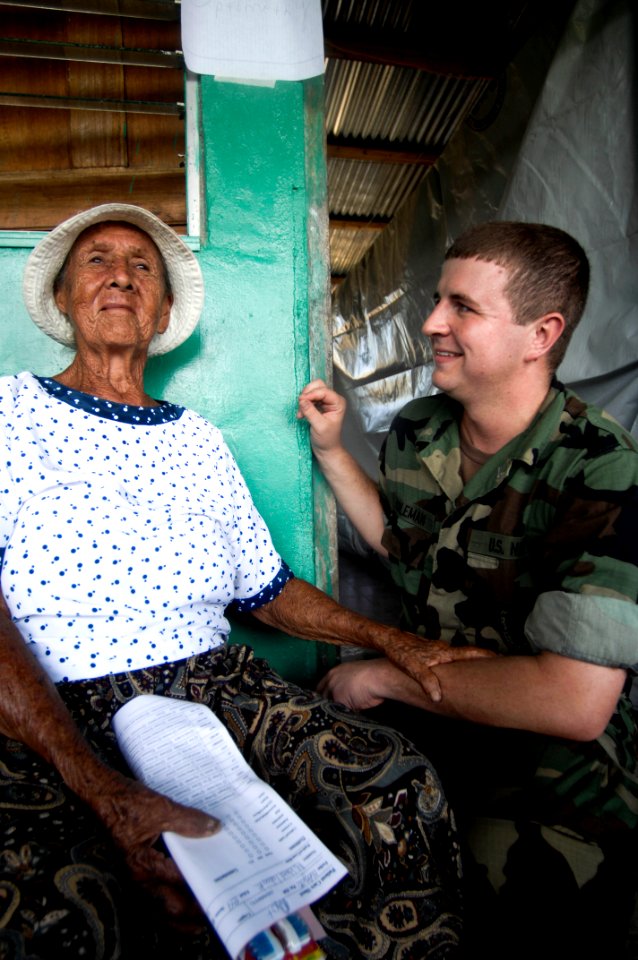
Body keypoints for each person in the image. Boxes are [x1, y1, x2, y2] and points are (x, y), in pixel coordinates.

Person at [0, 203, 486, 959]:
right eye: (97, 261)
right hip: (51, 703)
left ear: (163, 311)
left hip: (215, 685)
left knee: (394, 785)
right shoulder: (7, 413)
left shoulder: (198, 440)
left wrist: (393, 641)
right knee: (61, 908)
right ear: (62, 299)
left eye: (143, 267)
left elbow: (266, 588)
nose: (121, 276)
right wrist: (101, 790)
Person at [298, 221, 638, 958]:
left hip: (547, 760)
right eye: (435, 299)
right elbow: (404, 546)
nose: (430, 323)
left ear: (539, 333)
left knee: (508, 892)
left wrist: (386, 675)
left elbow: (573, 704)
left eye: (462, 307)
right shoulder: (421, 429)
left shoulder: (601, 468)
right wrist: (331, 452)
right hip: (437, 718)